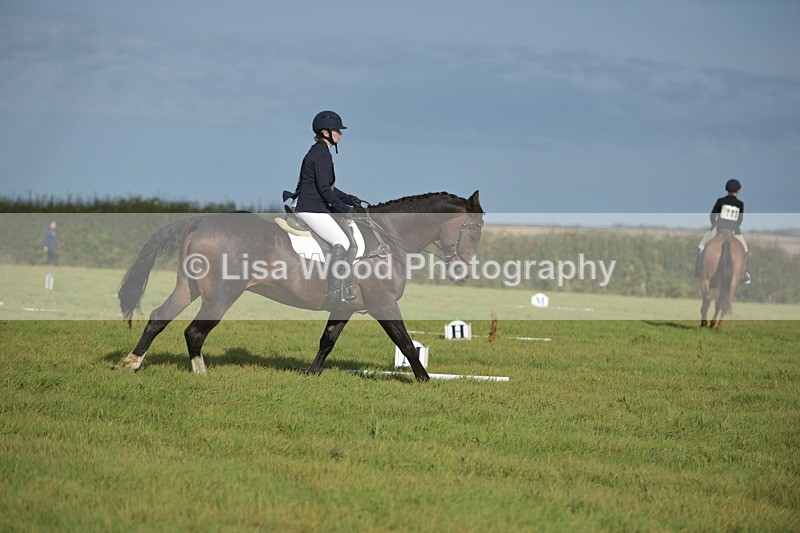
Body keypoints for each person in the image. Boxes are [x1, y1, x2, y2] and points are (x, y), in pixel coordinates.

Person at [282, 110, 365, 306]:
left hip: (312, 205)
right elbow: (325, 191)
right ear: (326, 132)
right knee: (342, 242)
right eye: (337, 130)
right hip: (310, 207)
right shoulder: (321, 154)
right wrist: (344, 209)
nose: (340, 134)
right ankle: (336, 292)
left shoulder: (320, 151)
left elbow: (329, 188)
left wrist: (348, 198)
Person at [694, 179, 751, 284]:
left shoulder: (720, 201)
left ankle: (697, 269)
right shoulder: (740, 204)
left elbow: (712, 216)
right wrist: (735, 227)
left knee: (701, 246)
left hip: (719, 228)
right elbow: (740, 219)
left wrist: (714, 226)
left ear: (726, 189)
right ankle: (744, 274)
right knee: (745, 250)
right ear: (738, 190)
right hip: (734, 230)